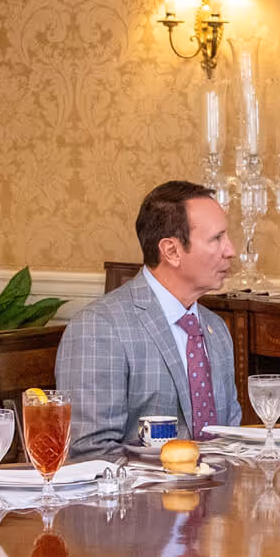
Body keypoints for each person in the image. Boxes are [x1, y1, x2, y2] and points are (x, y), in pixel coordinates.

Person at [56, 181, 242, 459]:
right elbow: (88, 453)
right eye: (217, 239)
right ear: (171, 251)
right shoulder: (99, 327)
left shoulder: (215, 327)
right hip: (140, 500)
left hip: (220, 497)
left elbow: (231, 436)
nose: (231, 250)